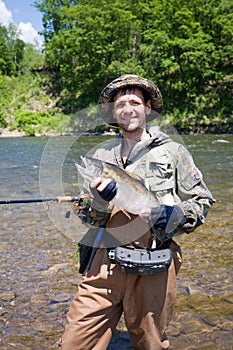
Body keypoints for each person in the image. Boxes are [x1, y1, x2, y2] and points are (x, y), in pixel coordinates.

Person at [58, 74, 214, 350]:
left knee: (150, 344)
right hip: (104, 262)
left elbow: (202, 201)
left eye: (134, 102)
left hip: (154, 264)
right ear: (113, 112)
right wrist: (99, 201)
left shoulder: (174, 153)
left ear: (148, 108)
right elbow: (87, 215)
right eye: (120, 104)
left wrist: (175, 215)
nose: (127, 108)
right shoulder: (102, 158)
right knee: (73, 343)